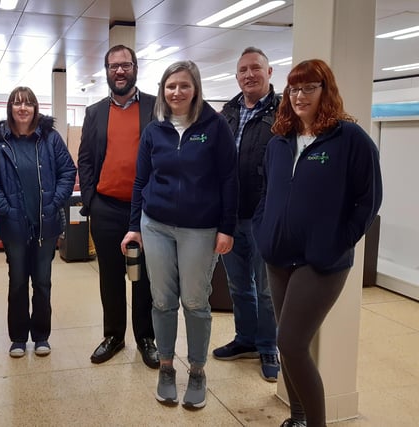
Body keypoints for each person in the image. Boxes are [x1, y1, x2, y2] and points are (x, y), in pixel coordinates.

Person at [253, 59, 382, 427]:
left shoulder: (349, 138)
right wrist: (264, 230)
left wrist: (338, 241)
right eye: (294, 88)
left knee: (292, 343)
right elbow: (267, 191)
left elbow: (368, 201)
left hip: (321, 262)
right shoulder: (279, 140)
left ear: (326, 91)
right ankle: (297, 418)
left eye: (309, 87)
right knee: (286, 344)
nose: (299, 95)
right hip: (278, 256)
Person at [122, 60, 238, 409]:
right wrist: (133, 227)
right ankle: (168, 367)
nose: (177, 92)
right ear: (163, 90)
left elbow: (229, 180)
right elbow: (141, 181)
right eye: (171, 86)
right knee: (162, 300)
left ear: (195, 89)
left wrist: (227, 228)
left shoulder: (215, 127)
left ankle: (198, 371)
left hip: (200, 229)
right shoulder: (154, 129)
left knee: (195, 301)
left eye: (184, 85)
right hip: (154, 224)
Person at [77, 44, 159, 369]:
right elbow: (85, 159)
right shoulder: (95, 112)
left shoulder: (155, 107)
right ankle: (113, 335)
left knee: (144, 278)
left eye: (125, 65)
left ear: (135, 68)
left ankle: (146, 338)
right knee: (110, 276)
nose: (120, 71)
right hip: (106, 208)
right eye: (113, 67)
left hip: (145, 210)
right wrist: (90, 201)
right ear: (107, 71)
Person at [0, 87, 76, 358]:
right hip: (14, 226)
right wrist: (5, 208)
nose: (23, 108)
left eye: (28, 103)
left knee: (43, 282)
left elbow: (68, 171)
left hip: (45, 224)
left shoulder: (50, 139)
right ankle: (19, 338)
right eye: (17, 103)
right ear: (10, 108)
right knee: (18, 282)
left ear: (35, 108)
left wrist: (53, 202)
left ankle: (42, 336)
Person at [214, 46, 280, 382]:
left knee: (267, 288)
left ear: (270, 73)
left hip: (265, 216)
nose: (248, 75)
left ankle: (269, 345)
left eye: (256, 68)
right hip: (229, 217)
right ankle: (246, 339)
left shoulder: (284, 113)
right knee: (239, 285)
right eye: (242, 70)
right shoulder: (227, 112)